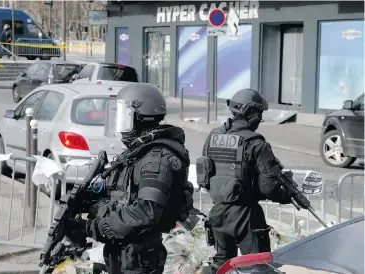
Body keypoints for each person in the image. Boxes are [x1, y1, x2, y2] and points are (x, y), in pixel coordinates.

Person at [64, 83, 196, 274]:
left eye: (123, 115)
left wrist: (92, 227)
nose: (119, 122)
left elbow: (145, 212)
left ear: (140, 117)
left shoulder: (155, 158)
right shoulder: (140, 152)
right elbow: (123, 198)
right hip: (125, 253)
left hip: (139, 258)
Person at [197, 89, 293, 274]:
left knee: (222, 264)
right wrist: (286, 195)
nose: (260, 119)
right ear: (251, 113)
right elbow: (269, 188)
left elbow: (206, 176)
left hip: (218, 213)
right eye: (259, 114)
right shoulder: (257, 144)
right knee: (258, 267)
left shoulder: (213, 137)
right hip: (246, 216)